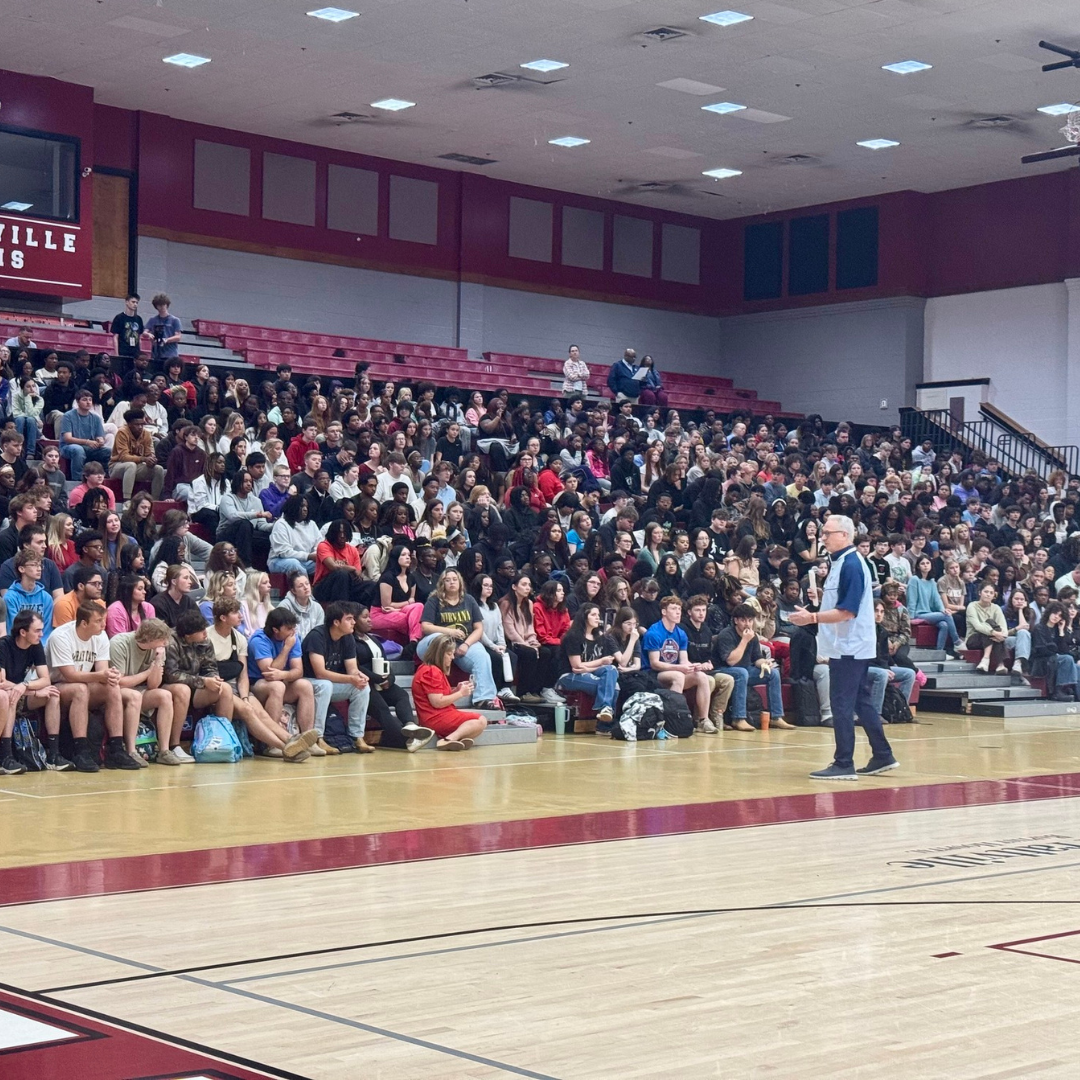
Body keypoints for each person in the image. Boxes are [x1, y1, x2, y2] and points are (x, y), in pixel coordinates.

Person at [789, 515, 897, 779]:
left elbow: (848, 611)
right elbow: (842, 601)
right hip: (845, 644)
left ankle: (844, 763)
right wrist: (821, 601)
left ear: (845, 535)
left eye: (827, 533)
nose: (822, 537)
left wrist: (812, 618)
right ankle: (883, 755)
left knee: (841, 703)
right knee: (861, 700)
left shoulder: (851, 564)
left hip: (849, 646)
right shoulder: (839, 562)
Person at [207, 597, 309, 759]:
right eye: (235, 613)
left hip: (237, 686)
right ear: (223, 618)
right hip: (216, 686)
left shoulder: (239, 637)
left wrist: (246, 696)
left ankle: (291, 740)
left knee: (261, 713)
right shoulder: (208, 636)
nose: (240, 616)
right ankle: (286, 748)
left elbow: (242, 674)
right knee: (249, 711)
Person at [46, 599, 136, 772]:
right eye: (98, 621)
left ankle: (116, 749)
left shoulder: (100, 635)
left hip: (83, 684)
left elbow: (102, 671)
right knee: (80, 689)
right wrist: (100, 675)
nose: (103, 625)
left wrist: (109, 675)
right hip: (55, 686)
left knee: (112, 687)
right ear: (84, 623)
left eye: (104, 620)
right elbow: (69, 676)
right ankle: (81, 751)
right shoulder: (61, 636)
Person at [353, 605, 434, 752]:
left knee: (401, 695)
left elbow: (385, 662)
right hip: (364, 684)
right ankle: (406, 741)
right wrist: (377, 678)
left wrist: (390, 679)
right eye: (365, 617)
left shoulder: (373, 639)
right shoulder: (350, 641)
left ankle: (410, 725)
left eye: (369, 616)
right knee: (382, 708)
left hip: (380, 681)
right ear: (354, 620)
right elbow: (356, 667)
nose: (370, 620)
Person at [416, 569, 500, 710]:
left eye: (454, 579)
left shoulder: (469, 600)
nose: (451, 582)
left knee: (482, 656)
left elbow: (479, 628)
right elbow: (426, 627)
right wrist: (450, 632)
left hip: (462, 643)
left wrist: (466, 644)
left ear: (460, 582)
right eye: (447, 580)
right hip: (433, 644)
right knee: (440, 639)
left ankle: (483, 699)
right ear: (442, 584)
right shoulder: (434, 600)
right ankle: (440, 694)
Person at [109, 618, 182, 768]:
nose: (165, 643)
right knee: (134, 696)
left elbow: (153, 685)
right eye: (162, 639)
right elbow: (119, 682)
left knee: (165, 695)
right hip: (116, 692)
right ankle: (131, 751)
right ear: (149, 638)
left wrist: (157, 662)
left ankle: (164, 750)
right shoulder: (119, 643)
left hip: (140, 690)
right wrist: (148, 671)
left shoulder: (158, 650)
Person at [301, 601, 372, 754]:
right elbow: (320, 673)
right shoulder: (317, 636)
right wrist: (350, 679)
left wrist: (358, 676)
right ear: (336, 622)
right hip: (306, 683)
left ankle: (356, 736)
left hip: (329, 684)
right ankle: (318, 737)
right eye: (349, 619)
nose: (354, 622)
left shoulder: (347, 637)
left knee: (362, 688)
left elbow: (352, 669)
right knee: (325, 685)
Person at [0, 610, 67, 771]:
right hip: (8, 694)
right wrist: (33, 692)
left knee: (52, 694)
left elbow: (45, 679)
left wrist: (26, 685)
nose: (41, 634)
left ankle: (53, 755)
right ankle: (6, 757)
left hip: (21, 691)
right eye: (37, 630)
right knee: (10, 695)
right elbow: (1, 682)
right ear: (23, 632)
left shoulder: (36, 646)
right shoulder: (4, 645)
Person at [247, 607, 321, 745]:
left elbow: (298, 671)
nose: (293, 631)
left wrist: (283, 674)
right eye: (288, 628)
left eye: (293, 627)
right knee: (277, 686)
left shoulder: (292, 637)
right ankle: (272, 743)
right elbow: (269, 673)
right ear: (275, 630)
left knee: (305, 685)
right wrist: (286, 649)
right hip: (256, 686)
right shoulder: (259, 640)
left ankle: (307, 740)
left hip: (282, 680)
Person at [642, 595, 717, 728]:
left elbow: (684, 660)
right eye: (673, 609)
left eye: (679, 609)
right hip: (653, 674)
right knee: (678, 676)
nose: (678, 612)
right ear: (664, 612)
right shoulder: (654, 632)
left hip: (674, 670)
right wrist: (680, 668)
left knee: (701, 677)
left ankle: (703, 720)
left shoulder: (681, 633)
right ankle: (673, 718)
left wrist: (694, 666)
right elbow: (654, 663)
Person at [411, 634, 488, 750]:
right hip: (435, 718)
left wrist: (456, 690)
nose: (452, 657)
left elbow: (438, 696)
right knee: (480, 720)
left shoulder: (429, 669)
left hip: (435, 716)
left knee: (478, 721)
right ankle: (448, 740)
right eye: (449, 654)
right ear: (439, 654)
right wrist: (460, 693)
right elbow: (437, 702)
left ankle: (455, 738)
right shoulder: (431, 671)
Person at [555, 603, 620, 729]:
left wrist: (589, 668)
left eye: (598, 615)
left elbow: (605, 664)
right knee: (613, 687)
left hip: (588, 672)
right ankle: (605, 724)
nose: (597, 618)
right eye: (593, 615)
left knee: (611, 670)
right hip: (569, 676)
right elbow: (577, 665)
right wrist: (600, 662)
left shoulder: (600, 637)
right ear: (584, 617)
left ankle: (605, 711)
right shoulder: (573, 636)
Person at [109, 410, 165, 501]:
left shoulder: (146, 434)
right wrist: (144, 459)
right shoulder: (122, 432)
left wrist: (151, 460)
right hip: (117, 466)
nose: (140, 427)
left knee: (159, 469)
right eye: (136, 424)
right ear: (129, 424)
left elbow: (149, 453)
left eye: (142, 424)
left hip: (137, 466)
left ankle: (155, 501)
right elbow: (123, 457)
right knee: (131, 465)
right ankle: (126, 501)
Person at [59, 387, 110, 482]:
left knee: (108, 451)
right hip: (68, 447)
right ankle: (77, 481)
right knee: (78, 450)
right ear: (77, 402)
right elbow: (67, 438)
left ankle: (104, 477)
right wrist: (87, 442)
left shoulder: (96, 418)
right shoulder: (68, 416)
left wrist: (100, 441)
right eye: (84, 400)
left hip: (89, 447)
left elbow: (100, 436)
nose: (88, 402)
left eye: (90, 400)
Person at [3, 550, 54, 638]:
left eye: (40, 565)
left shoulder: (46, 597)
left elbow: (46, 630)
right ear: (21, 569)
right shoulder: (10, 598)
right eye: (34, 565)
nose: (39, 569)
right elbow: (14, 628)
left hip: (41, 645)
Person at [268, 494, 320, 577]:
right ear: (293, 507)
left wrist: (316, 554)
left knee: (325, 563)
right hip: (279, 560)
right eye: (302, 506)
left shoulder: (312, 524)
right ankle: (306, 589)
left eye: (306, 506)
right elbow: (284, 552)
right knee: (294, 564)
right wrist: (309, 556)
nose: (305, 509)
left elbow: (319, 544)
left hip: (305, 560)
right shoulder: (281, 524)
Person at [965, 581, 1009, 674]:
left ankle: (987, 662)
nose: (988, 594)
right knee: (988, 625)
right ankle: (996, 663)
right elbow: (977, 626)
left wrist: (1002, 635)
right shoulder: (972, 606)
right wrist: (994, 632)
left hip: (992, 638)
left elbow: (1003, 627)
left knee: (992, 627)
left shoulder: (996, 608)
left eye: (991, 593)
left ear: (994, 595)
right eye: (986, 592)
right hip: (973, 638)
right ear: (980, 593)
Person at [277, 570, 324, 638]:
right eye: (300, 586)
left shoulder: (317, 607)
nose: (306, 587)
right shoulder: (284, 607)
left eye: (307, 583)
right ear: (293, 590)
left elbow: (319, 634)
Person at [144, 292, 182, 367]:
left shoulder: (175, 320)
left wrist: (166, 340)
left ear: (167, 305)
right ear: (156, 306)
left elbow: (178, 337)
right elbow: (145, 332)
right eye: (159, 305)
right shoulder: (153, 320)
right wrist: (149, 334)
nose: (162, 307)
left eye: (163, 305)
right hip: (156, 353)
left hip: (170, 354)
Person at [110, 292, 144, 364]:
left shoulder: (139, 319)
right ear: (126, 302)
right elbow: (115, 337)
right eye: (133, 302)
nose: (135, 304)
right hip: (123, 351)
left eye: (137, 303)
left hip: (135, 353)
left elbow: (140, 337)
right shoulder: (119, 318)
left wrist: (140, 352)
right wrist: (116, 354)